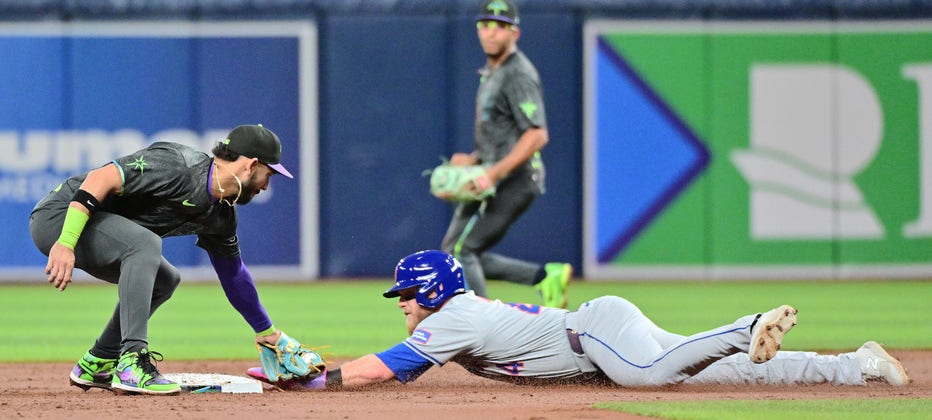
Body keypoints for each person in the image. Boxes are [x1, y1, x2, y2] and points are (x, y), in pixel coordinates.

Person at [250, 249, 911, 389]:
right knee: (739, 375)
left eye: (405, 294)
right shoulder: (455, 313)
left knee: (649, 378)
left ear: (431, 292)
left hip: (592, 334)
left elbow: (382, 370)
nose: (402, 304)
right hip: (594, 333)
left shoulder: (450, 317)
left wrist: (317, 381)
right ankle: (858, 363)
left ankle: (748, 324)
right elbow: (403, 369)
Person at [30, 124, 320, 395]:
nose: (266, 186)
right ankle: (132, 362)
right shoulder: (179, 165)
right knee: (145, 243)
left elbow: (234, 276)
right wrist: (66, 242)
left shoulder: (220, 214)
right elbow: (100, 177)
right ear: (251, 165)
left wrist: (267, 332)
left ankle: (98, 361)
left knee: (165, 279)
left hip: (96, 229)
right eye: (269, 175)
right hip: (60, 218)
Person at [439, 0, 571, 309]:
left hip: (515, 178)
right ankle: (543, 275)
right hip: (492, 173)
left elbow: (537, 134)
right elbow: (503, 132)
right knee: (454, 251)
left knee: (463, 251)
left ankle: (483, 330)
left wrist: (492, 172)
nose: (491, 33)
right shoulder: (493, 71)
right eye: (485, 25)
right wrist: (474, 160)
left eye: (501, 26)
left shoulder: (518, 74)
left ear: (515, 33)